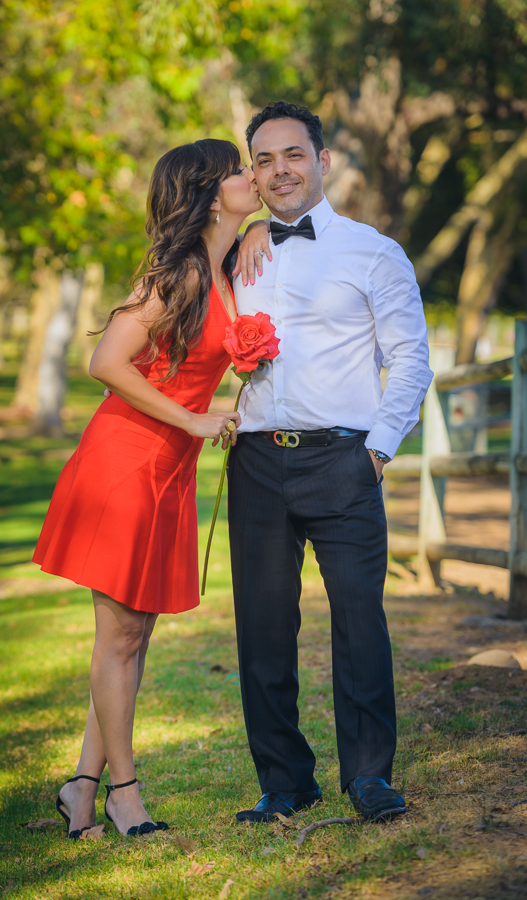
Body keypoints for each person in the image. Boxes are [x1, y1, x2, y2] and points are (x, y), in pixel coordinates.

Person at [33, 139, 262, 839]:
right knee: (121, 638)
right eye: (237, 169)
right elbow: (106, 361)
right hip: (126, 462)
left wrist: (252, 231)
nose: (252, 176)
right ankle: (122, 794)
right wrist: (196, 418)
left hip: (168, 471)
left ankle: (81, 786)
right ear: (207, 188)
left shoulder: (224, 266)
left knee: (134, 636)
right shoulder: (180, 272)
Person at [228, 101, 433, 823]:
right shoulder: (235, 257)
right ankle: (284, 782)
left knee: (357, 622)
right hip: (254, 464)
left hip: (344, 461)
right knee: (260, 630)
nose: (278, 170)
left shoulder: (373, 252)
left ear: (322, 160)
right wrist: (245, 229)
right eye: (263, 159)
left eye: (291, 154)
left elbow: (410, 358)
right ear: (250, 174)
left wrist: (376, 451)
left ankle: (368, 776)